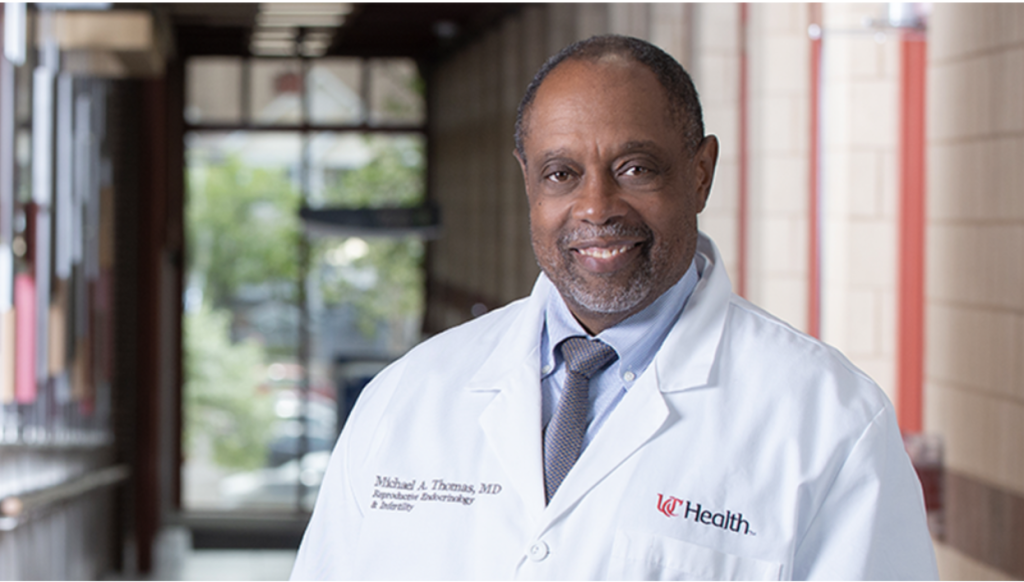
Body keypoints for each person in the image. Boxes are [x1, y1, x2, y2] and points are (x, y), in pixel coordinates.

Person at [290, 35, 938, 580]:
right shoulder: (404, 399)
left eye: (635, 169)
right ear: (528, 181)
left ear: (701, 173)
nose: (596, 208)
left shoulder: (830, 423)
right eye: (561, 174)